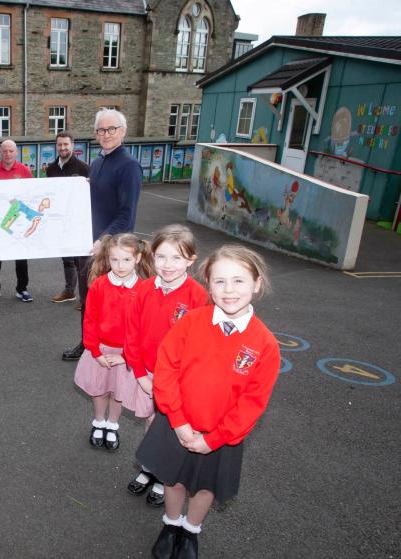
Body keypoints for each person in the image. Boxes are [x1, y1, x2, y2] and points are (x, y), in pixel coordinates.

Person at [136, 245, 280, 559]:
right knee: (172, 478)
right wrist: (179, 422)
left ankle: (191, 531)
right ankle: (171, 524)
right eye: (219, 281)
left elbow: (253, 402)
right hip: (178, 424)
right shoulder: (190, 322)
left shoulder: (265, 343)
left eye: (239, 281)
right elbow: (166, 369)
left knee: (204, 486)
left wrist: (214, 438)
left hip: (221, 436)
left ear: (256, 284)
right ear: (208, 284)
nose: (229, 290)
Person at [124, 224, 208, 508]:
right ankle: (149, 468)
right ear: (152, 257)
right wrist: (139, 374)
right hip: (146, 375)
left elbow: (198, 348)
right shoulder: (144, 289)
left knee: (169, 428)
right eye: (161, 257)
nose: (168, 265)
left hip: (175, 382)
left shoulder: (198, 297)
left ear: (191, 259)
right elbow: (131, 334)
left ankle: (163, 476)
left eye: (177, 257)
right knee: (150, 423)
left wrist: (173, 382)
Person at [62, 109, 143, 361]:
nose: (106, 134)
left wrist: (102, 241)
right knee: (89, 302)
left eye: (111, 129)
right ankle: (89, 343)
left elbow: (126, 215)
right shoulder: (97, 164)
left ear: (123, 131)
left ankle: (113, 348)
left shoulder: (129, 167)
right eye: (101, 130)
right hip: (88, 244)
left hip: (110, 250)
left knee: (109, 305)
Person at [73, 233, 154, 452]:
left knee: (119, 391)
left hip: (126, 353)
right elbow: (89, 320)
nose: (120, 265)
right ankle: (99, 422)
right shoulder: (99, 285)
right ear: (108, 259)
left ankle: (112, 424)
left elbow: (144, 329)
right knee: (99, 389)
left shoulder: (145, 289)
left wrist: (126, 356)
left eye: (126, 260)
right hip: (99, 349)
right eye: (114, 259)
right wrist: (95, 351)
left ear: (137, 258)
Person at [0, 139, 35, 302]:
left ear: (16, 152)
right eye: (5, 151)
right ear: (0, 152)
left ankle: (22, 289)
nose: (8, 154)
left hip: (18, 223)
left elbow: (33, 194)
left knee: (21, 257)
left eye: (11, 151)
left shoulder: (24, 171)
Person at [46, 131, 90, 304]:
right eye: (59, 144)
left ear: (72, 145)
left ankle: (85, 297)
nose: (63, 147)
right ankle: (69, 291)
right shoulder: (51, 169)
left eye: (66, 144)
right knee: (66, 258)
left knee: (81, 260)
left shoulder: (84, 168)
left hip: (79, 220)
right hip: (60, 220)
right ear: (56, 146)